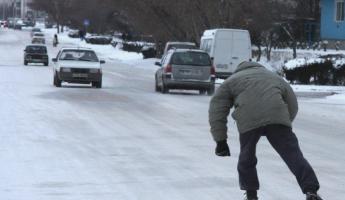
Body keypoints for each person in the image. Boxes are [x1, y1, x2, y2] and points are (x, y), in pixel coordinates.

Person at [208, 61, 323, 200]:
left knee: (247, 157)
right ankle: (311, 191)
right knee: (293, 155)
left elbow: (217, 109)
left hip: (249, 118)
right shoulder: (274, 77)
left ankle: (251, 195)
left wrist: (221, 141)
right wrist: (284, 122)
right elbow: (292, 102)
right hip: (277, 116)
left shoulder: (231, 81)